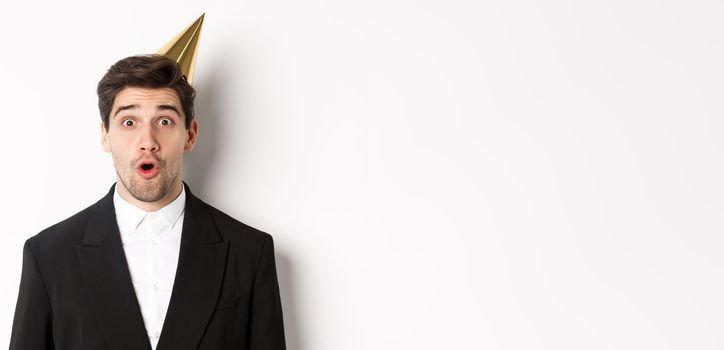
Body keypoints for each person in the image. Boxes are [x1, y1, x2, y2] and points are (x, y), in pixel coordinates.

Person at [9, 55, 287, 350]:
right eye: (129, 122)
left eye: (164, 121)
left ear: (190, 135)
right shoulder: (49, 255)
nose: (148, 141)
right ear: (106, 136)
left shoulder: (249, 252)